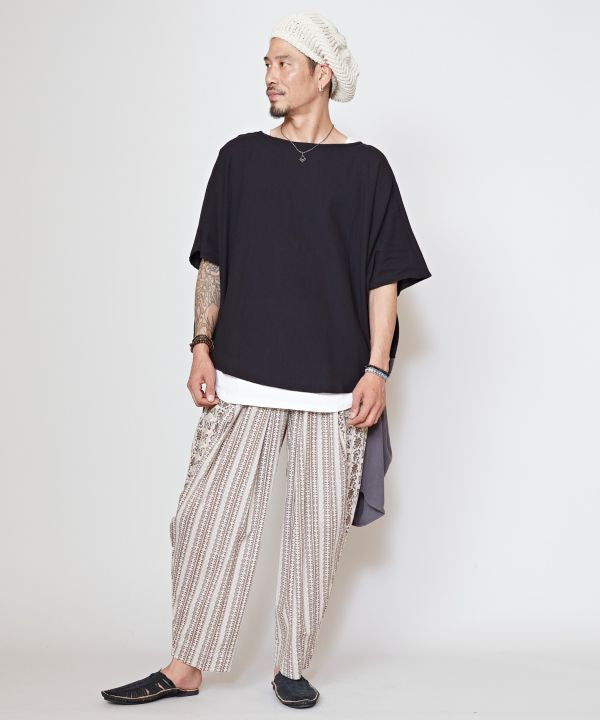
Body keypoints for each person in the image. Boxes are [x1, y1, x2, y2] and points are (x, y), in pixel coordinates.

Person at [100, 11, 431, 710]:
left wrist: (377, 369)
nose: (270, 77)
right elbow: (213, 262)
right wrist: (200, 344)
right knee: (205, 520)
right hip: (242, 370)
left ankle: (292, 666)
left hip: (334, 384)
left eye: (284, 63)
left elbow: (385, 278)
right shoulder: (240, 159)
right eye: (267, 63)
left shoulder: (367, 169)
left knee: (315, 535)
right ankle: (186, 666)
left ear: (322, 75)